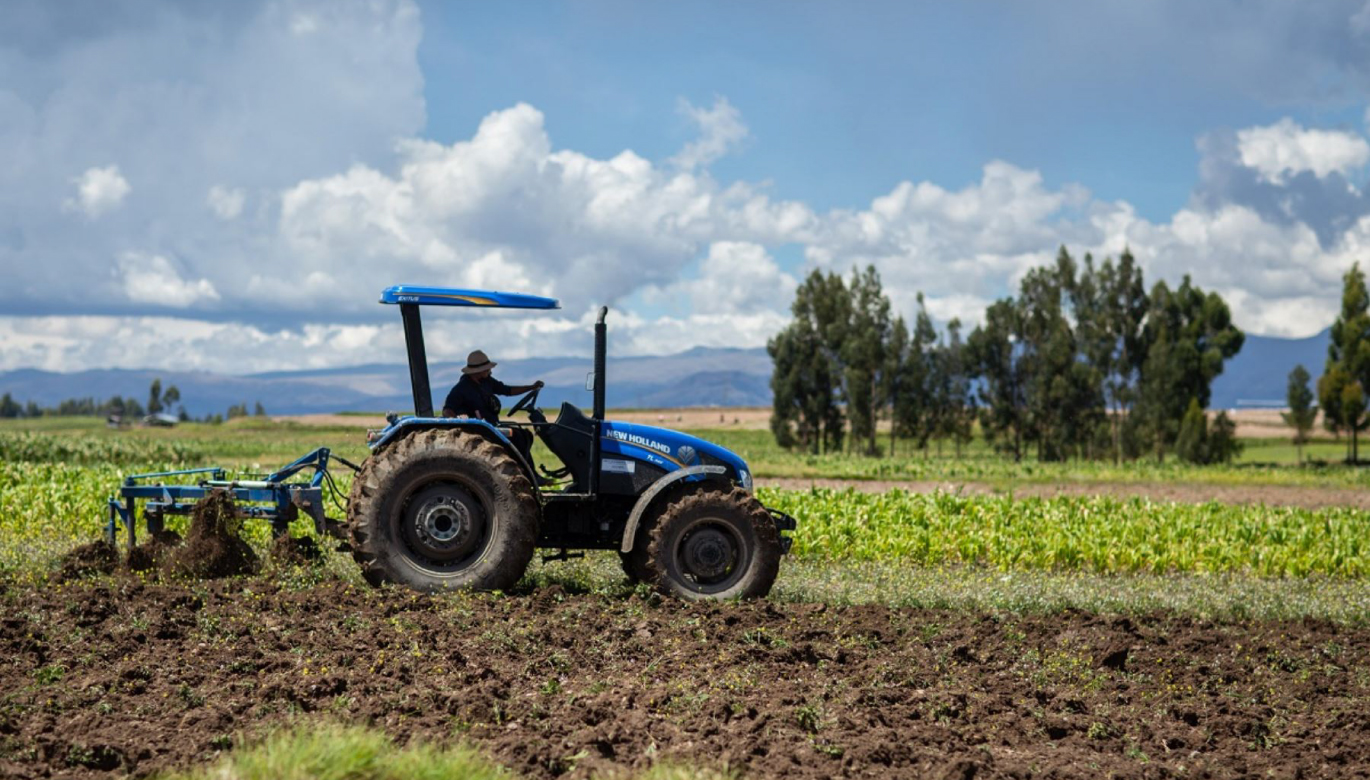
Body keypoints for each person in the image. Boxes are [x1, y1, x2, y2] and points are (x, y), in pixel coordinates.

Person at [441, 349, 544, 467]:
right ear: (478, 371)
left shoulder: (486, 382)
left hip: (493, 426)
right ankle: (526, 472)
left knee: (525, 435)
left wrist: (531, 387)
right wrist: (460, 422)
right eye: (487, 369)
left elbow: (507, 390)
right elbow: (447, 410)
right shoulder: (461, 389)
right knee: (517, 438)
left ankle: (528, 472)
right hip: (481, 430)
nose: (490, 371)